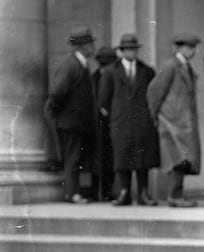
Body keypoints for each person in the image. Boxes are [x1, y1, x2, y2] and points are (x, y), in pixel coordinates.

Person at [99, 34, 160, 206]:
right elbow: (103, 99)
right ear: (122, 51)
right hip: (121, 121)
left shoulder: (146, 71)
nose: (131, 52)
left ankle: (143, 192)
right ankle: (124, 192)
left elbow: (154, 95)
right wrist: (115, 114)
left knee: (143, 157)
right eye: (128, 49)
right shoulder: (111, 71)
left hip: (142, 120)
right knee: (122, 156)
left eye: (134, 49)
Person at [146, 33, 202, 207]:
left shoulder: (185, 66)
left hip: (182, 122)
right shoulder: (171, 66)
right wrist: (158, 115)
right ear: (181, 48)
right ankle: (174, 196)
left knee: (183, 159)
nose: (193, 51)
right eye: (190, 48)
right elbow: (154, 91)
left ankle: (177, 195)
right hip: (172, 122)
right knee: (176, 159)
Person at [45, 27, 98, 204]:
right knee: (73, 158)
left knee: (76, 158)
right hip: (71, 122)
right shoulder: (71, 65)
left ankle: (74, 192)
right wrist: (59, 112)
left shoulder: (79, 64)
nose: (93, 47)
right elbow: (57, 92)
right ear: (82, 46)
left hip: (78, 122)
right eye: (90, 43)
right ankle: (71, 193)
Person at [92, 46, 118, 201]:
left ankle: (107, 191)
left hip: (109, 124)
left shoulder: (95, 77)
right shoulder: (94, 78)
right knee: (99, 160)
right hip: (97, 125)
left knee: (109, 159)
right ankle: (98, 191)